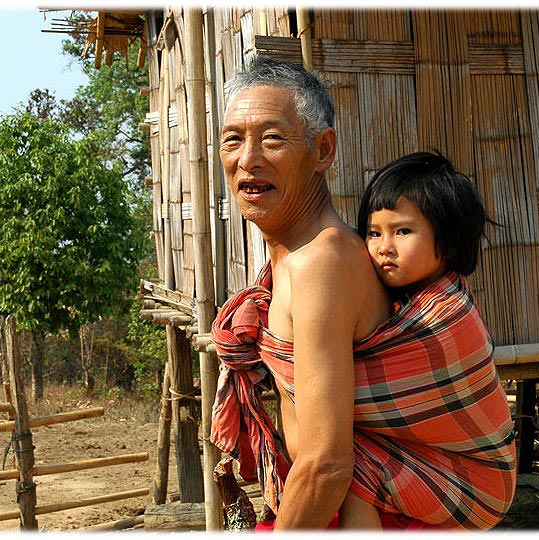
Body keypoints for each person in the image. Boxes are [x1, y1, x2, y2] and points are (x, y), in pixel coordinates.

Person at [210, 57, 516, 531]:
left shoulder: (321, 262)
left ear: (323, 150)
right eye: (233, 139)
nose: (248, 159)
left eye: (272, 138)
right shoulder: (294, 257)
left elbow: (327, 465)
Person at [336, 151, 516, 529]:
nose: (384, 246)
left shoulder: (447, 315)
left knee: (349, 464)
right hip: (435, 464)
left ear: (448, 242)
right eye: (374, 232)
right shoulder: (399, 299)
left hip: (477, 482)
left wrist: (287, 361)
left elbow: (354, 391)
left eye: (402, 231)